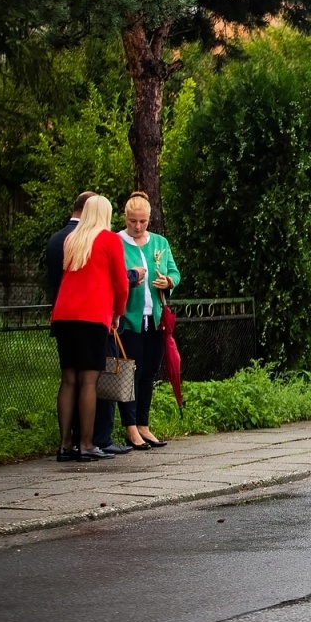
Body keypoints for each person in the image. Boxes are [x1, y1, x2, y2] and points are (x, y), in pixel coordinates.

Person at [49, 195, 129, 462]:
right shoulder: (109, 240)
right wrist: (118, 313)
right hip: (92, 315)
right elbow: (121, 283)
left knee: (69, 378)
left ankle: (65, 445)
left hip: (63, 315)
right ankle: (87, 443)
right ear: (104, 214)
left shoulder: (73, 239)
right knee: (89, 381)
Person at [115, 192, 180, 450]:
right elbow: (114, 276)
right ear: (125, 218)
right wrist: (130, 279)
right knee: (131, 372)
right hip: (129, 319)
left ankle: (143, 424)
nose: (138, 226)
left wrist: (169, 281)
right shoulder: (116, 242)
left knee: (149, 374)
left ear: (149, 219)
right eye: (133, 221)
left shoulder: (160, 243)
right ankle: (130, 427)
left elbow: (174, 270)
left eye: (142, 221)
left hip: (155, 320)